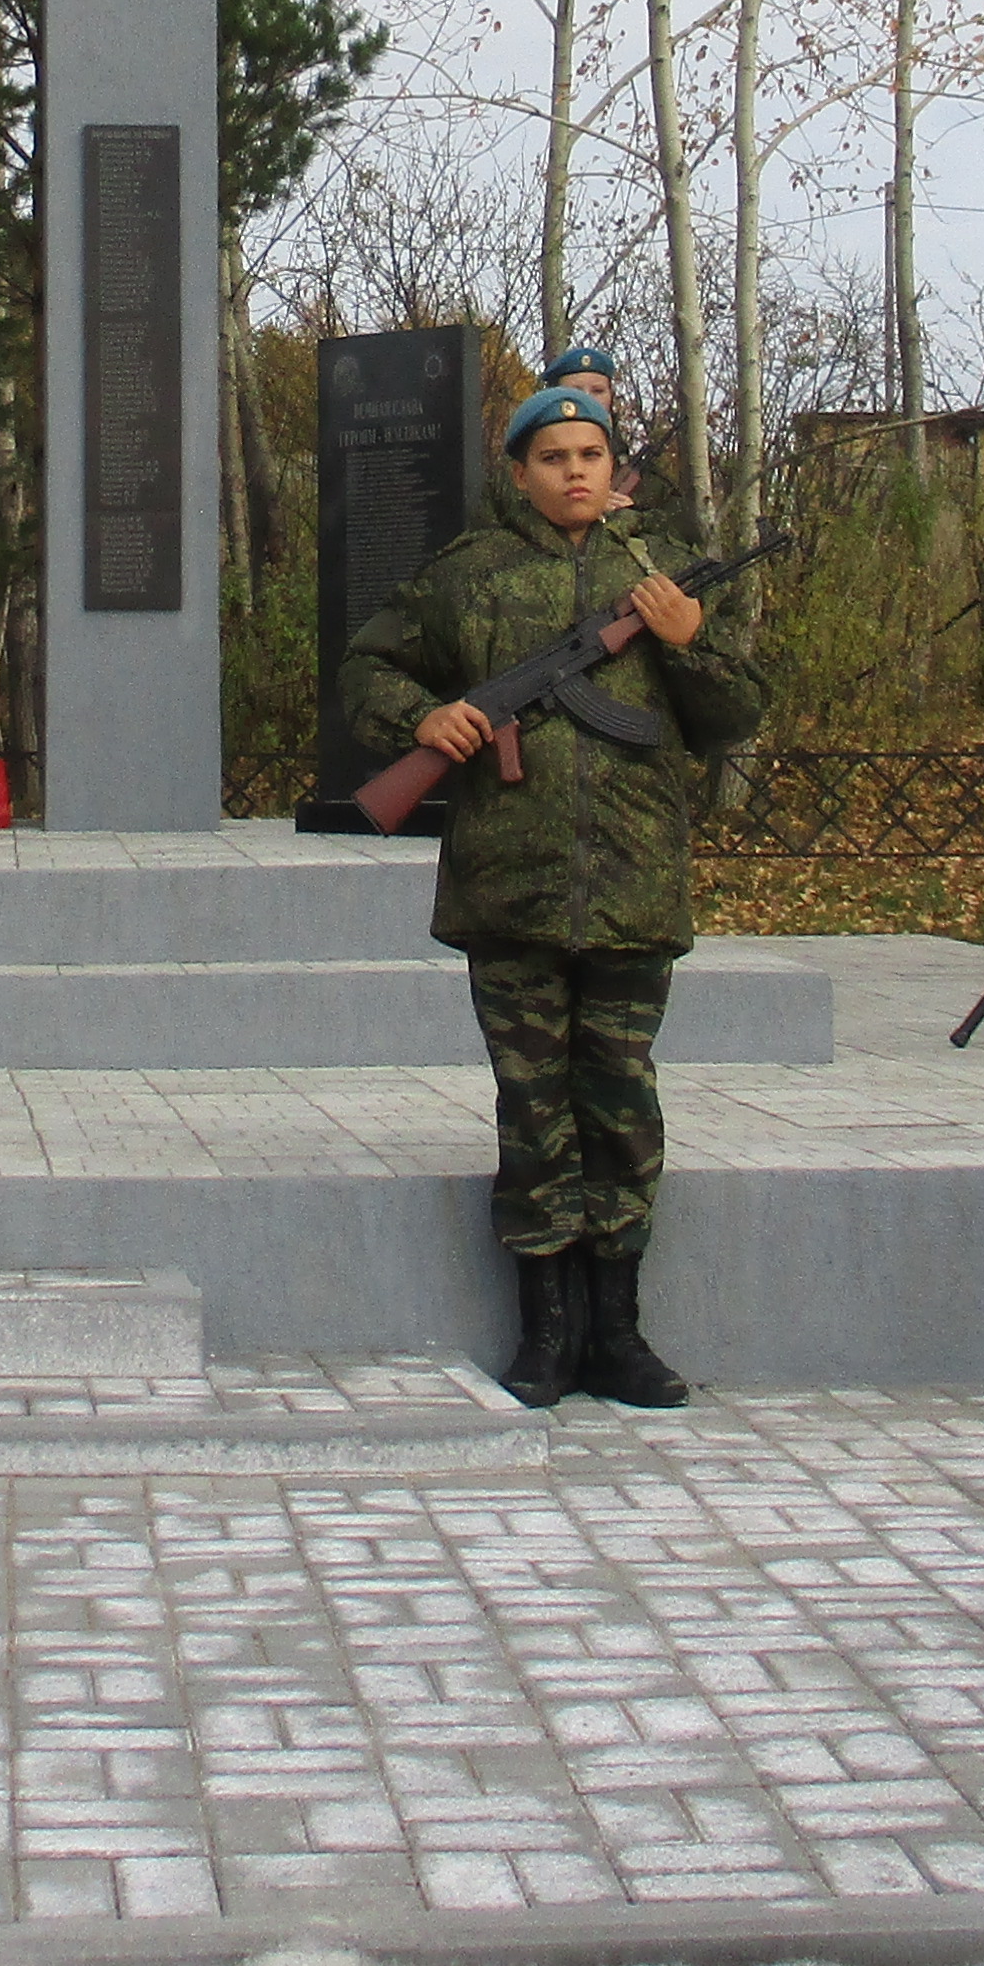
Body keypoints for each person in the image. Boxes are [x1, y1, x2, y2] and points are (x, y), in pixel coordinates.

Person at [333, 384, 767, 1408]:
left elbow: (736, 714)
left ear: (615, 467)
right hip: (510, 888)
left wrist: (688, 637)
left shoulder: (657, 571)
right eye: (552, 456)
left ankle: (619, 1332)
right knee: (533, 1113)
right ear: (519, 472)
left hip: (632, 880)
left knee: (621, 1108)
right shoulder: (468, 574)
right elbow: (365, 670)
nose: (576, 471)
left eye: (591, 453)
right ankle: (545, 1335)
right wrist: (426, 715)